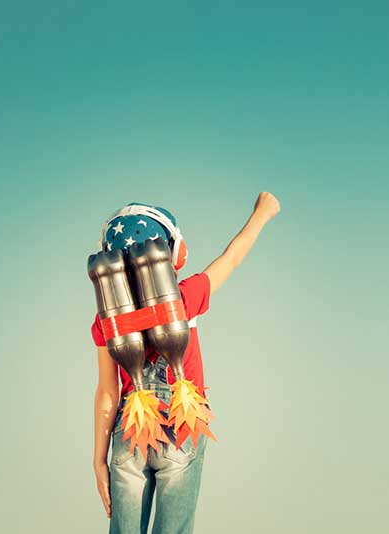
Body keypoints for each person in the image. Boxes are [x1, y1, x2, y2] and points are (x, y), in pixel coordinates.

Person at [90, 191, 281, 534]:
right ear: (169, 253)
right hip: (183, 423)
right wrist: (261, 214)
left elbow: (108, 393)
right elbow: (232, 257)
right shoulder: (184, 297)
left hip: (130, 429)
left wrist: (98, 458)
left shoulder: (107, 319)